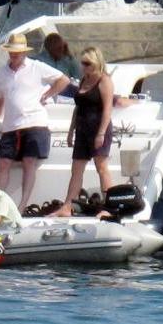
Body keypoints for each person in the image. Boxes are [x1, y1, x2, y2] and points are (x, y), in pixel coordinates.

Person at [0, 31, 70, 208]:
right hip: (11, 126)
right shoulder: (2, 72)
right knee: (3, 164)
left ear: (24, 52)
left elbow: (63, 80)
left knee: (29, 163)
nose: (14, 54)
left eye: (17, 51)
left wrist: (48, 94)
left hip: (35, 121)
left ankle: (22, 205)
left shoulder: (37, 66)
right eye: (11, 51)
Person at [53, 45, 117, 215]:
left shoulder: (104, 81)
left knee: (101, 167)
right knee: (76, 169)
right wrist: (71, 130)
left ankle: (109, 207)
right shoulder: (83, 80)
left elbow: (108, 109)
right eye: (82, 63)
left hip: (97, 127)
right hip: (82, 128)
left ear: (96, 62)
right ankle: (67, 206)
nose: (84, 66)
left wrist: (101, 133)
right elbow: (78, 107)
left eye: (87, 63)